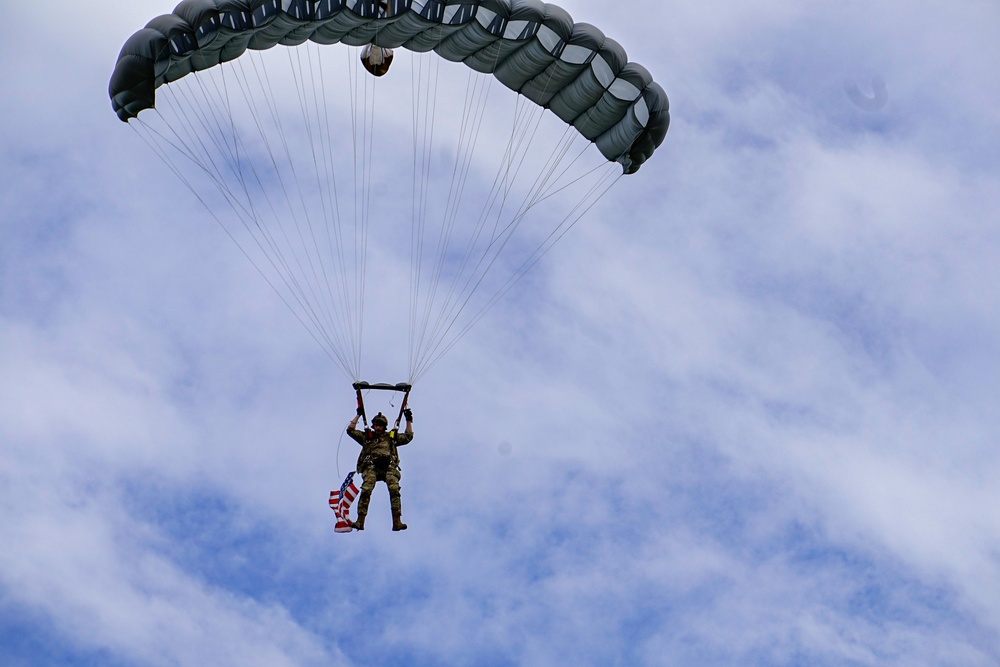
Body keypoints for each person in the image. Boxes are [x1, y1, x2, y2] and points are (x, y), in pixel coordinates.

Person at [346, 407, 413, 531]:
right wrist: (358, 415)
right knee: (366, 489)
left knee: (394, 489)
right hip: (371, 468)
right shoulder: (367, 437)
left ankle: (397, 521)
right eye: (376, 425)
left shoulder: (390, 437)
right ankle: (360, 520)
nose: (378, 428)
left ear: (384, 427)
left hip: (389, 467)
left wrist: (408, 420)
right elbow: (350, 430)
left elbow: (408, 437)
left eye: (380, 426)